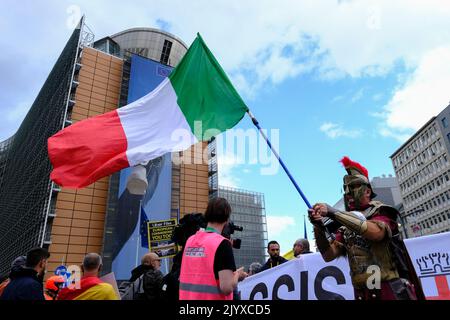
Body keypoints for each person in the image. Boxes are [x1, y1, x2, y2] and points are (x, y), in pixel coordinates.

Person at [308, 156, 425, 300]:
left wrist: (333, 212)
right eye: (346, 189)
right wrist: (318, 226)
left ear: (367, 191)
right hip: (362, 293)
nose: (348, 193)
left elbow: (376, 233)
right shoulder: (346, 224)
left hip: (388, 289)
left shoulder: (382, 211)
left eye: (353, 187)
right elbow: (328, 255)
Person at [179, 198, 247, 300]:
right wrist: (237, 275)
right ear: (227, 219)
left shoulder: (190, 240)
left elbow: (201, 272)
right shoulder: (222, 243)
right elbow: (226, 288)